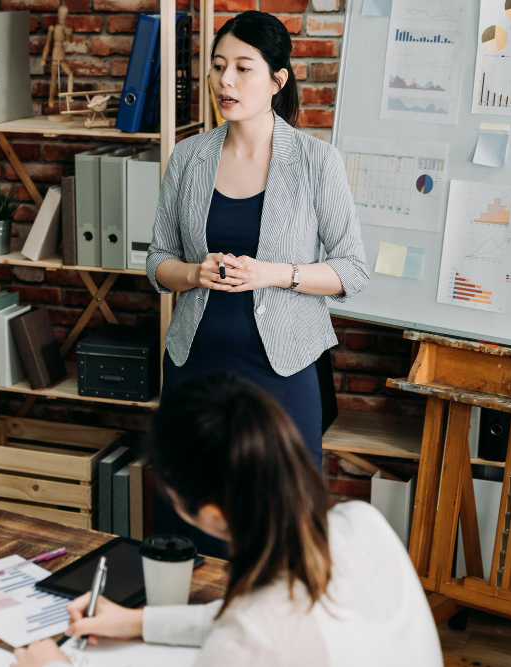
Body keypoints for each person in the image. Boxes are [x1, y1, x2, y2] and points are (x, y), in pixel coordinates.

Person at [12, 375, 442, 667]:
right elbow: (248, 619)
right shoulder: (363, 523)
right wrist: (137, 622)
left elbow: (254, 629)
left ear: (212, 514)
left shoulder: (248, 641)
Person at [144, 9, 368, 554]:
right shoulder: (189, 157)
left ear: (277, 79)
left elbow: (353, 272)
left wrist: (278, 274)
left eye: (244, 68)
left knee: (277, 526)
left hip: (282, 374)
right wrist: (191, 274)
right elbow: (156, 261)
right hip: (194, 368)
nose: (225, 81)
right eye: (219, 66)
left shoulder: (317, 161)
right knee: (186, 526)